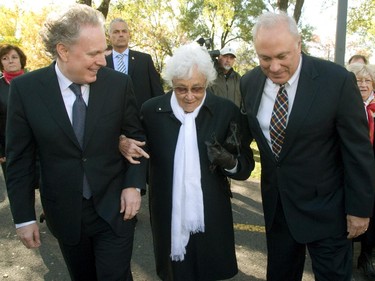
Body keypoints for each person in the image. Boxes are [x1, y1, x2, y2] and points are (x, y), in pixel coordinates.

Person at [5, 4, 148, 281]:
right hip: (65, 214)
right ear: (63, 51)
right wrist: (24, 218)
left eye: (103, 51)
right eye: (94, 53)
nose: (103, 61)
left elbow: (136, 137)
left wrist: (133, 184)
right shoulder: (26, 91)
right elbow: (19, 160)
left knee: (114, 276)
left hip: (114, 206)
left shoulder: (118, 84)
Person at [240, 12, 375, 281]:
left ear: (298, 45)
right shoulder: (249, 82)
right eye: (265, 58)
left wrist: (360, 210)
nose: (274, 67)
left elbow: (357, 151)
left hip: (329, 212)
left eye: (282, 56)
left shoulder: (335, 80)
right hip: (278, 212)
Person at [126, 42, 254, 280]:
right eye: (180, 89)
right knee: (176, 272)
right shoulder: (152, 111)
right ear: (171, 84)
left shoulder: (225, 111)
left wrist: (229, 162)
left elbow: (245, 165)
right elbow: (137, 152)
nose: (189, 96)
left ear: (207, 83)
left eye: (197, 88)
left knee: (210, 269)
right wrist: (123, 143)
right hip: (167, 208)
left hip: (212, 209)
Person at [347, 62, 375, 279]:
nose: (363, 85)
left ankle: (367, 256)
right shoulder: (345, 106)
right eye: (359, 81)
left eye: (367, 81)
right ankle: (344, 256)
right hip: (348, 170)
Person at [106, 18, 164, 107]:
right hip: (112, 118)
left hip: (140, 117)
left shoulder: (145, 60)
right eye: (116, 32)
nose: (121, 35)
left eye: (124, 31)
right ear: (109, 35)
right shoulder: (103, 64)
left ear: (129, 34)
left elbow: (157, 92)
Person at [0, 44, 27, 180]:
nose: (10, 61)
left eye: (14, 57)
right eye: (5, 58)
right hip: (9, 149)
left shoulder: (34, 82)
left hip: (39, 146)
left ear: (21, 60)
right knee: (17, 189)